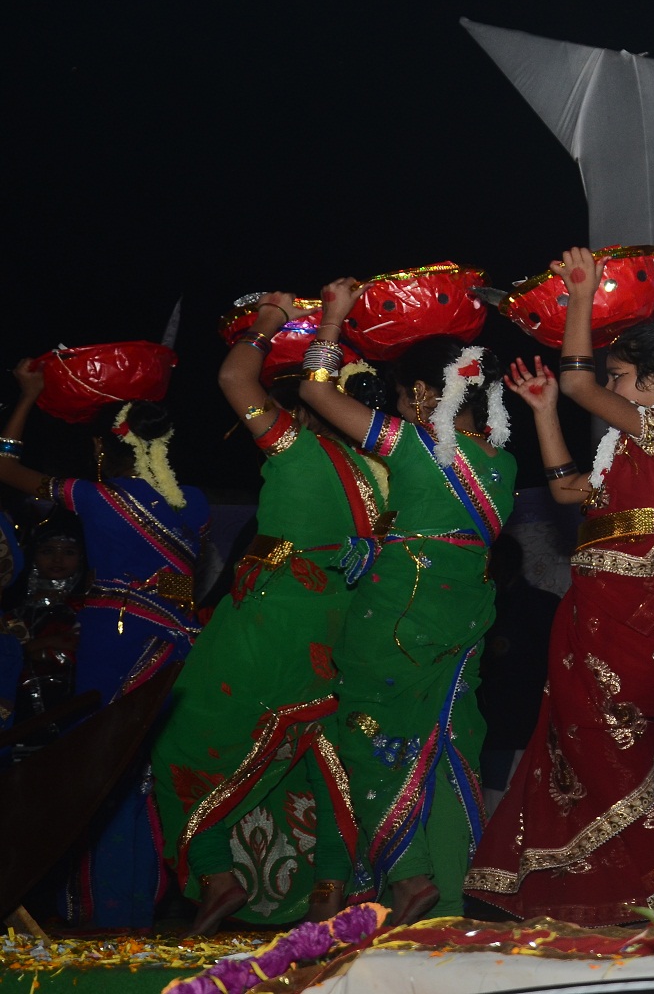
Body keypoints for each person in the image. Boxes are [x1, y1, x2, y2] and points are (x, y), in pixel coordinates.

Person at [467, 245, 654, 924]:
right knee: (575, 741)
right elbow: (566, 490)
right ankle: (620, 891)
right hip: (598, 605)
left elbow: (582, 385)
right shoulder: (637, 450)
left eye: (620, 376)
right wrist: (543, 410)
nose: (609, 387)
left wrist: (581, 298)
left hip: (637, 612)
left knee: (601, 737)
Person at [151, 294, 393, 933]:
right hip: (345, 635)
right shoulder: (390, 473)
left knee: (181, 745)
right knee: (324, 759)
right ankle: (329, 891)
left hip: (270, 625)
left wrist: (267, 324)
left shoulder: (295, 449)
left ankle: (217, 874)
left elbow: (234, 377)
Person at [301, 284, 518, 924]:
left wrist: (334, 320)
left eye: (402, 396)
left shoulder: (414, 445)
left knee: (364, 728)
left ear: (423, 394)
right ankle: (448, 903)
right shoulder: (503, 463)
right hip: (466, 616)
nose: (399, 407)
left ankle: (407, 874)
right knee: (446, 747)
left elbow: (315, 392)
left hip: (402, 607)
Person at [0, 364, 209, 928]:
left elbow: (3, 466)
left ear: (102, 447)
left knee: (101, 766)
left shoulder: (94, 498)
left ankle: (103, 908)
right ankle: (145, 901)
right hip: (175, 644)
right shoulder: (194, 502)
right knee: (152, 771)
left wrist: (29, 394)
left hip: (112, 639)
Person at [472, 535, 558, 814]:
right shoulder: (479, 607)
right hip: (488, 732)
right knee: (492, 808)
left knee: (508, 809)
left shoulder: (539, 606)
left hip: (519, 731)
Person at [4, 510, 87, 758]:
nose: (57, 559)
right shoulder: (14, 614)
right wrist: (45, 644)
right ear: (33, 555)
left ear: (82, 557)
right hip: (19, 719)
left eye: (69, 552)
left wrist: (35, 648)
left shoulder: (87, 611)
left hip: (71, 717)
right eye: (48, 550)